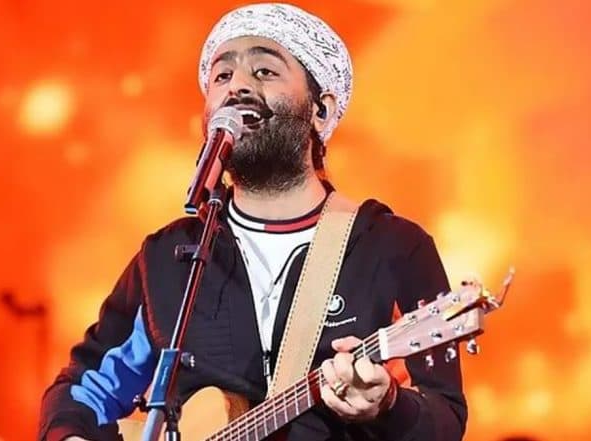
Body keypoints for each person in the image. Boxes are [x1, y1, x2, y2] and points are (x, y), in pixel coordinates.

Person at [39, 3, 467, 440]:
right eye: (222, 76)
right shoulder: (167, 258)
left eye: (264, 71)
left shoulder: (393, 248)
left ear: (320, 110)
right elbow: (82, 389)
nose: (238, 86)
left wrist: (388, 404)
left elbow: (444, 419)